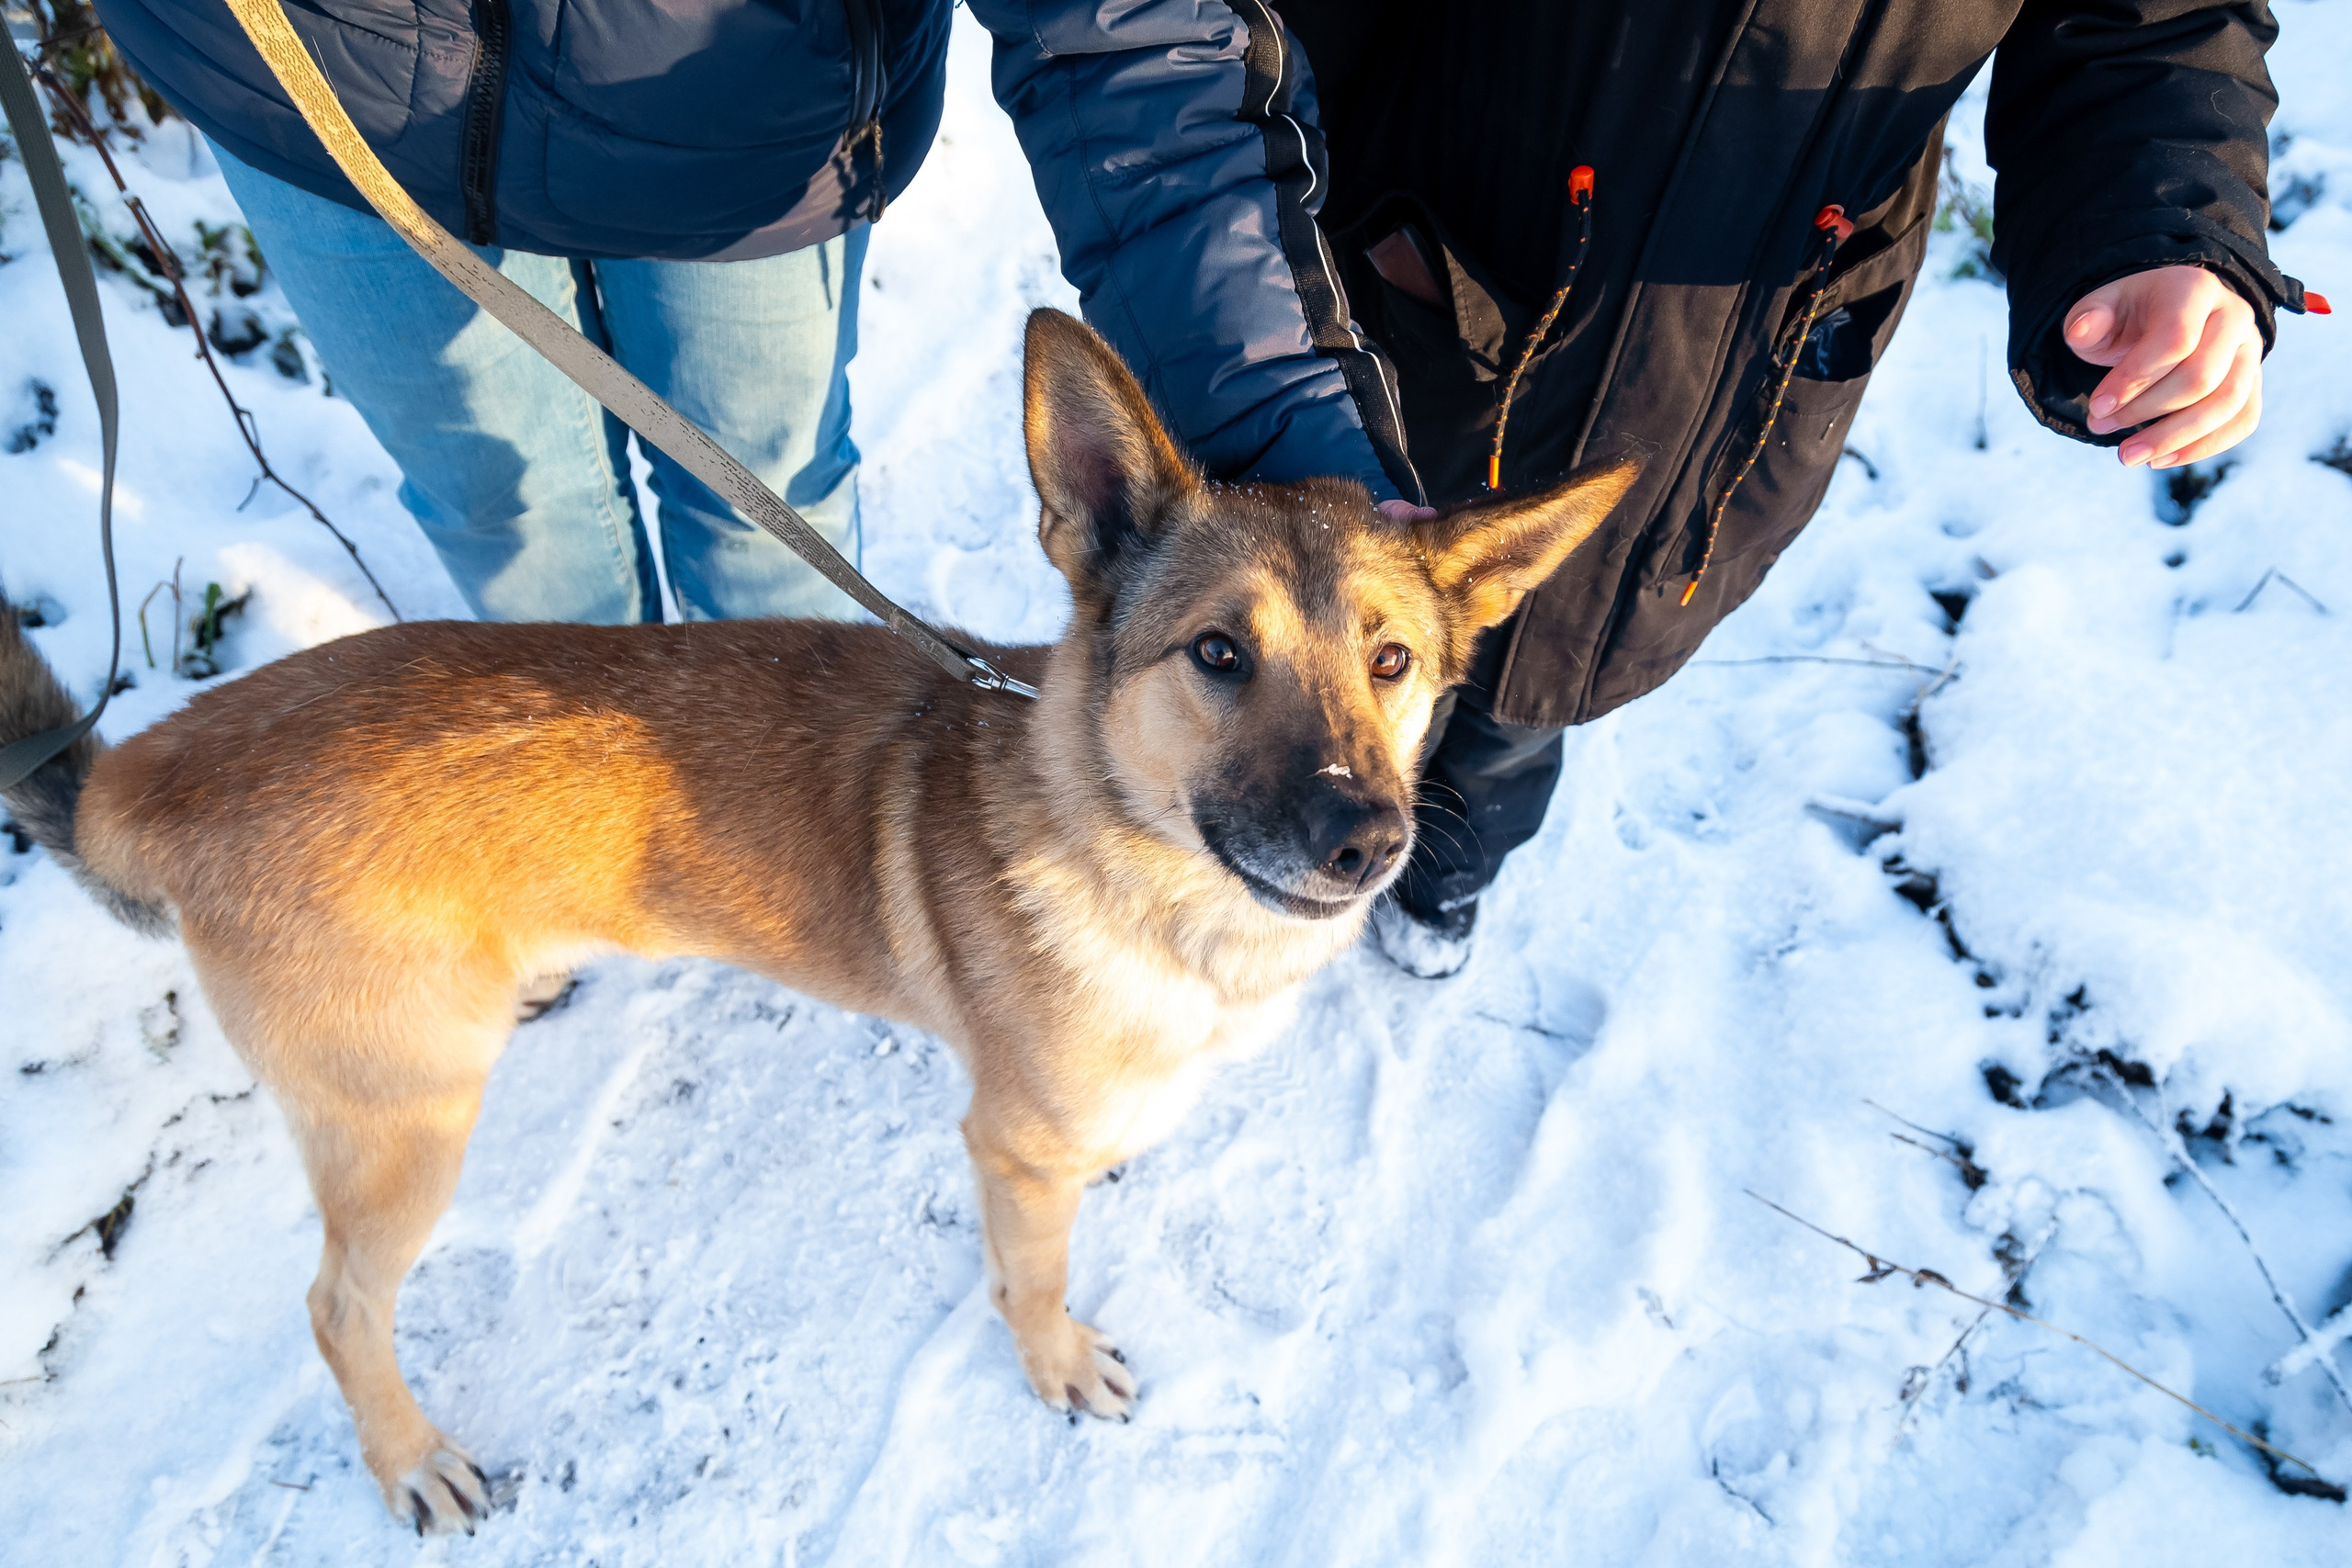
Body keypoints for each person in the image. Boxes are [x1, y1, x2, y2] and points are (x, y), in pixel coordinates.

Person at [91, 1, 2312, 968]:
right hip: (322, 114)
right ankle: (590, 830)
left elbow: (2149, 16)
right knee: (523, 541)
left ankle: (1430, 882)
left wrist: (2162, 204)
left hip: (1680, 321)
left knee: (1498, 693)